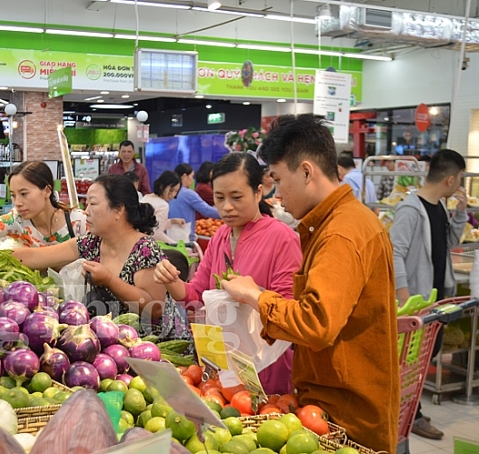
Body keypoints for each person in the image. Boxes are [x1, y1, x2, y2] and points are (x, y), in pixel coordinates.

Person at [217, 115, 399, 454]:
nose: (277, 194)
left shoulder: (341, 233)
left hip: (346, 417)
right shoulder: (336, 224)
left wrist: (257, 295)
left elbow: (316, 323)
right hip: (328, 405)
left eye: (280, 180)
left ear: (306, 172)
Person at [154, 152, 300, 395]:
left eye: (236, 197)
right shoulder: (220, 236)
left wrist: (251, 295)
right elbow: (195, 296)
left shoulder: (282, 238)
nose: (226, 207)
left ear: (259, 192)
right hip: (222, 364)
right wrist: (172, 281)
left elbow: (288, 311)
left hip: (266, 368)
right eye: (219, 198)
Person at [13, 174, 190, 342]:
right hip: (117, 344)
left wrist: (109, 280)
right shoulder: (92, 243)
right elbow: (37, 256)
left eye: (93, 204)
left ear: (118, 210)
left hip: (157, 348)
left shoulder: (145, 249)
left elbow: (155, 308)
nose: (86, 211)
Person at [390, 149, 467, 440]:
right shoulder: (411, 209)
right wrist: (405, 297)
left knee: (425, 359)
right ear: (450, 179)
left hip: (435, 300)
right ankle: (410, 415)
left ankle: (410, 412)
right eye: (459, 178)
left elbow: (449, 244)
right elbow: (394, 252)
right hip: (416, 303)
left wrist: (460, 214)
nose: (459, 183)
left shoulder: (439, 207)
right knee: (410, 364)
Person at [0, 161, 87, 247]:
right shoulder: (17, 220)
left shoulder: (79, 222)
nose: (17, 203)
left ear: (47, 191)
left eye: (24, 194)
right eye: (13, 195)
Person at [169, 163, 221, 241]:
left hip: (169, 235)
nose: (193, 180)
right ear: (184, 176)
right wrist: (226, 214)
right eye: (191, 176)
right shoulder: (188, 194)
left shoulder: (168, 192)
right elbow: (207, 211)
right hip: (184, 237)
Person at [142, 171, 186, 243]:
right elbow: (156, 234)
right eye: (171, 190)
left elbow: (150, 225)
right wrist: (176, 245)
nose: (173, 194)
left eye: (176, 191)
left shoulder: (146, 197)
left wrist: (172, 221)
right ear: (162, 186)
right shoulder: (163, 205)